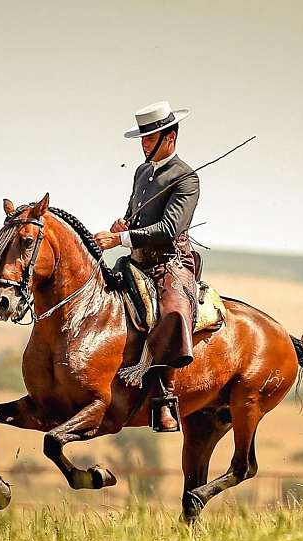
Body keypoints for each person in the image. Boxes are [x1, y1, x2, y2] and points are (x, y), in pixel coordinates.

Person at [94, 101, 200, 432]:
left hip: (172, 261)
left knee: (172, 313)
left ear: (170, 137)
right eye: (142, 138)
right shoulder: (142, 171)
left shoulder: (187, 179)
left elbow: (169, 229)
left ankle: (165, 398)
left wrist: (122, 238)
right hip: (138, 260)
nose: (143, 144)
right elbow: (135, 214)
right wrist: (123, 224)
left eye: (149, 138)